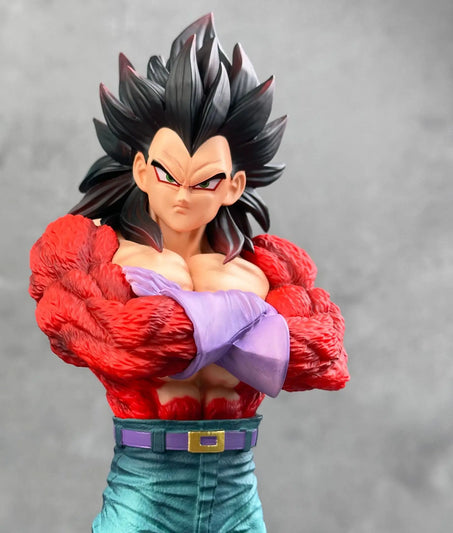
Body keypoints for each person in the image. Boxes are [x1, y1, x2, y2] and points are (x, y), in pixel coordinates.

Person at [29, 14, 349, 532]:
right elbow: (122, 342)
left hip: (236, 492)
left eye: (203, 182)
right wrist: (253, 319)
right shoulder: (95, 254)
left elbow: (322, 358)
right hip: (146, 489)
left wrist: (189, 315)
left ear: (234, 186)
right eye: (167, 174)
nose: (182, 195)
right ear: (140, 170)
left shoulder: (269, 267)